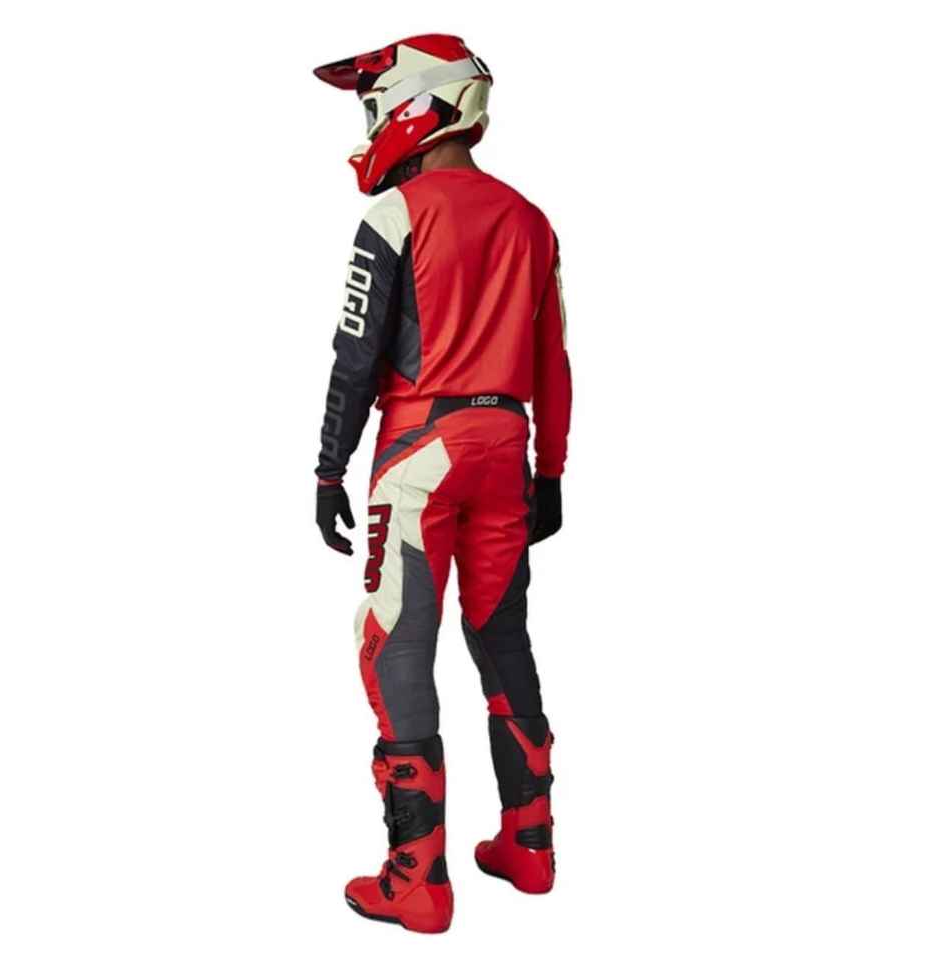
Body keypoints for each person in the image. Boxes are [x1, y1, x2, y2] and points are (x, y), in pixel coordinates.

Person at [313, 34, 572, 933]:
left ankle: (416, 878)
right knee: (502, 636)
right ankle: (530, 847)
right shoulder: (532, 220)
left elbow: (355, 354)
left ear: (415, 105)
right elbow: (554, 359)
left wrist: (328, 466)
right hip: (508, 444)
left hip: (421, 451)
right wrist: (551, 470)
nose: (369, 123)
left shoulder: (397, 213)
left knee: (394, 644)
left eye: (374, 104)